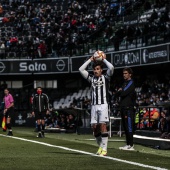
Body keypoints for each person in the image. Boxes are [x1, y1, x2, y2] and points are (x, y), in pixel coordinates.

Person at [79, 53, 114, 156]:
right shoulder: (91, 79)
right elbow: (81, 69)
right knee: (95, 128)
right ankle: (100, 147)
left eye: (98, 69)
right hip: (94, 106)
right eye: (94, 69)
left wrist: (103, 60)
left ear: (101, 70)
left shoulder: (106, 77)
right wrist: (90, 59)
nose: (95, 71)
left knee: (103, 125)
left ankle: (105, 149)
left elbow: (111, 67)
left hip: (103, 105)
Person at [117, 67, 136, 151]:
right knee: (125, 126)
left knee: (129, 126)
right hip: (123, 107)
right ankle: (128, 144)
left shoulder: (131, 83)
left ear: (130, 74)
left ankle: (131, 145)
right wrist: (120, 91)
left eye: (126, 73)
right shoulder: (125, 83)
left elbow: (123, 92)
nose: (124, 75)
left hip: (128, 108)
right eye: (123, 73)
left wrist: (120, 91)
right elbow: (119, 93)